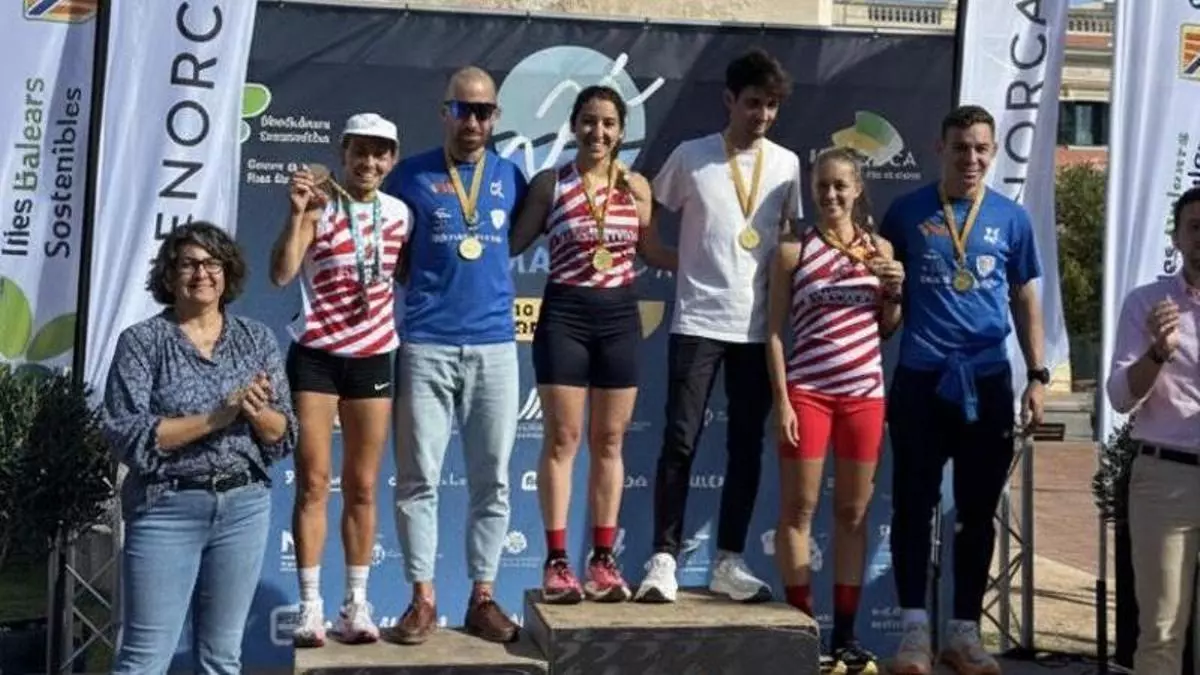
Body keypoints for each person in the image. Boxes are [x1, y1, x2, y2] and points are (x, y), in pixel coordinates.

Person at [879, 104, 1046, 675]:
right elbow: (886, 313)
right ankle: (913, 634)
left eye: (980, 148)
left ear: (993, 151)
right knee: (912, 508)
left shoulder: (1012, 218)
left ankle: (963, 633)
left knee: (977, 514)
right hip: (922, 380)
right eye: (960, 148)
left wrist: (1039, 373)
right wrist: (890, 298)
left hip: (988, 381)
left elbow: (1024, 296)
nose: (970, 158)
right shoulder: (904, 213)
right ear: (939, 149)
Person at [634, 47, 802, 605]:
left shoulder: (787, 164)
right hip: (697, 321)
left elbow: (790, 244)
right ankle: (663, 558)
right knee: (680, 441)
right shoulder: (691, 156)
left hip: (757, 331)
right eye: (754, 103)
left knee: (746, 448)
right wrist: (676, 260)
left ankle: (730, 559)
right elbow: (647, 221)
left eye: (772, 106)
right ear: (730, 100)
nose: (762, 116)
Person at [103, 223, 297, 674]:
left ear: (228, 273)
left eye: (212, 263)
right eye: (188, 264)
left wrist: (254, 411)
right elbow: (129, 435)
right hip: (166, 508)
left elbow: (283, 433)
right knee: (143, 660)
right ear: (169, 276)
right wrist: (218, 417)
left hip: (244, 507)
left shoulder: (256, 339)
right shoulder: (142, 342)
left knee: (220, 658)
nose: (202, 273)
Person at [509, 85, 677, 604]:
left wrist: (712, 257)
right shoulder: (549, 184)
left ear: (621, 132)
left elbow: (652, 251)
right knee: (563, 439)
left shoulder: (637, 187)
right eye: (588, 121)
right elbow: (510, 246)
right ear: (574, 126)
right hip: (565, 316)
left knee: (610, 442)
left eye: (608, 123)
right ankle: (558, 561)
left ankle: (602, 560)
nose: (597, 132)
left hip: (619, 318)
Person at [382, 66, 527, 644]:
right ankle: (421, 598)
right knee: (419, 478)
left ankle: (483, 597)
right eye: (462, 109)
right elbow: (393, 257)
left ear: (495, 117)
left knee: (493, 480)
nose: (473, 121)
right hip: (427, 343)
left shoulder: (512, 176)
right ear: (444, 112)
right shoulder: (408, 176)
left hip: (494, 343)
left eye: (484, 111)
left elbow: (511, 241)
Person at [270, 112, 411, 647]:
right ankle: (310, 606)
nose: (369, 162)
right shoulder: (319, 207)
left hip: (374, 357)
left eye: (380, 153)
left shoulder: (401, 214)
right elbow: (282, 273)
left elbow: (404, 272)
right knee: (312, 481)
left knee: (364, 484)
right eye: (360, 152)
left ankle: (356, 603)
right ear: (343, 153)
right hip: (317, 357)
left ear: (391, 160)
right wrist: (296, 214)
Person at [765, 147, 904, 672]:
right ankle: (805, 632)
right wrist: (783, 401)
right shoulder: (792, 251)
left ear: (858, 189)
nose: (830, 196)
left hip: (864, 395)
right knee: (798, 512)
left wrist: (895, 293)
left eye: (840, 186)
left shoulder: (881, 248)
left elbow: (886, 326)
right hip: (808, 393)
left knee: (852, 514)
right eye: (822, 186)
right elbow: (775, 332)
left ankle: (846, 635)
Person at [1106, 187, 1200, 674]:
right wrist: (1159, 353)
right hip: (1167, 479)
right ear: (1177, 237)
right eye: (1195, 227)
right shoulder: (1148, 303)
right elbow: (1121, 397)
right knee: (1162, 631)